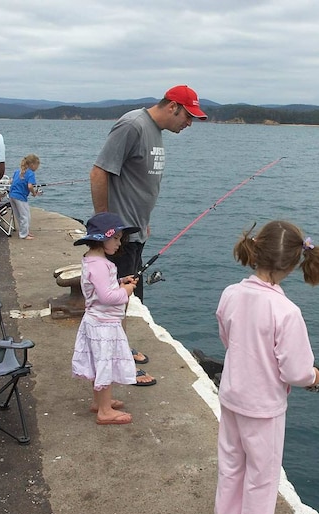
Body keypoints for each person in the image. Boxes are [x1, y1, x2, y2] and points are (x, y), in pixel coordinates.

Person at [210, 220, 319, 514]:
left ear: (256, 250)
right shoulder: (286, 311)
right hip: (263, 408)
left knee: (231, 463)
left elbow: (227, 338)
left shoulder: (231, 293)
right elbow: (295, 371)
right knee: (262, 474)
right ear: (293, 264)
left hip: (231, 396)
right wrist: (315, 378)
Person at [90, 84, 207, 384]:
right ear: (172, 107)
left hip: (135, 231)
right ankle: (118, 367)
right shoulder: (133, 125)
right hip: (120, 236)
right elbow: (99, 172)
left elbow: (138, 183)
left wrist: (143, 221)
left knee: (128, 301)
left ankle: (121, 351)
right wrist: (105, 227)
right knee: (115, 303)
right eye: (188, 116)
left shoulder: (155, 132)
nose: (189, 123)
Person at [71, 212, 142, 426]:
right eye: (116, 238)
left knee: (98, 364)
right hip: (104, 325)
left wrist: (120, 280)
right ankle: (104, 410)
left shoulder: (93, 261)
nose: (119, 243)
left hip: (96, 321)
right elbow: (108, 296)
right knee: (105, 364)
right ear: (102, 239)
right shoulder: (101, 265)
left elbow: (101, 286)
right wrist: (127, 290)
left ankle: (100, 401)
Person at [8, 154, 41, 240]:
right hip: (20, 197)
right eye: (37, 165)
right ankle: (23, 235)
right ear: (33, 165)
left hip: (11, 195)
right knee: (25, 216)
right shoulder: (30, 173)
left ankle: (24, 231)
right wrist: (34, 193)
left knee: (19, 216)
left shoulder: (18, 171)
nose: (37, 168)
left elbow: (11, 181)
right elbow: (30, 186)